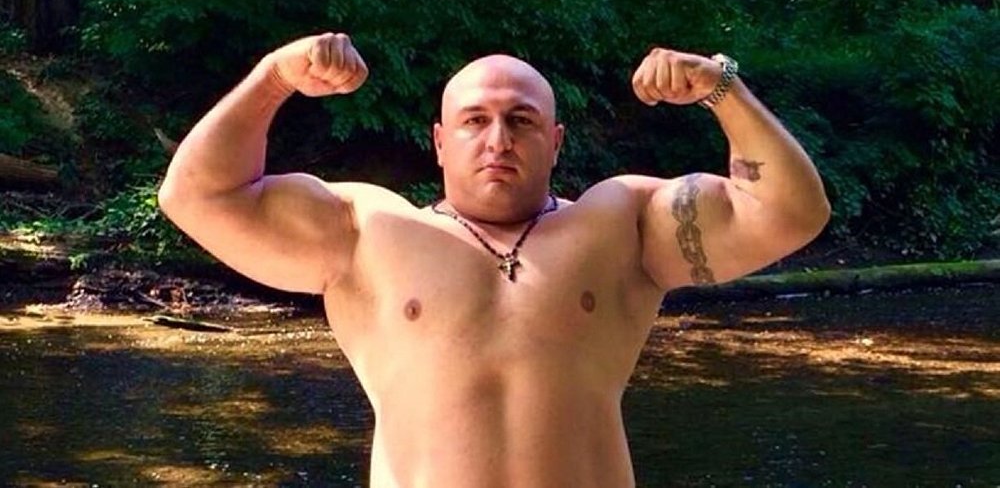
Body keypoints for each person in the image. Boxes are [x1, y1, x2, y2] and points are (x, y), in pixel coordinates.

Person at [158, 32, 830, 487]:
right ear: (439, 142)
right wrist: (275, 76)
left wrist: (722, 89)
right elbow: (195, 196)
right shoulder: (365, 230)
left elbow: (791, 213)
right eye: (475, 120)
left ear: (556, 142)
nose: (498, 140)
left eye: (522, 120)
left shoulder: (623, 224)